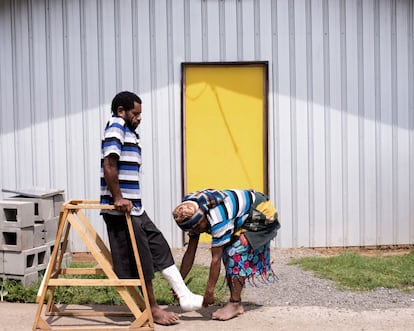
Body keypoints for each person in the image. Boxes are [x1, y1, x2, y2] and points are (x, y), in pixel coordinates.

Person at [100, 91, 203, 325]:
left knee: (159, 247)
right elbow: (109, 162)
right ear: (121, 111)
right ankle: (153, 309)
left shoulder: (130, 133)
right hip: (121, 210)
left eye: (140, 114)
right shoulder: (116, 125)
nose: (139, 118)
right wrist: (117, 197)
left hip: (135, 208)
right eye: (135, 113)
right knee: (142, 259)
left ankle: (184, 295)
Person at [172, 188, 280, 321]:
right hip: (242, 213)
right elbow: (190, 252)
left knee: (233, 252)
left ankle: (235, 303)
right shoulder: (191, 212)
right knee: (230, 248)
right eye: (192, 229)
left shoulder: (217, 219)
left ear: (203, 218)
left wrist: (209, 291)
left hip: (261, 212)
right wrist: (179, 285)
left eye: (198, 228)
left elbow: (215, 259)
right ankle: (235, 301)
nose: (197, 231)